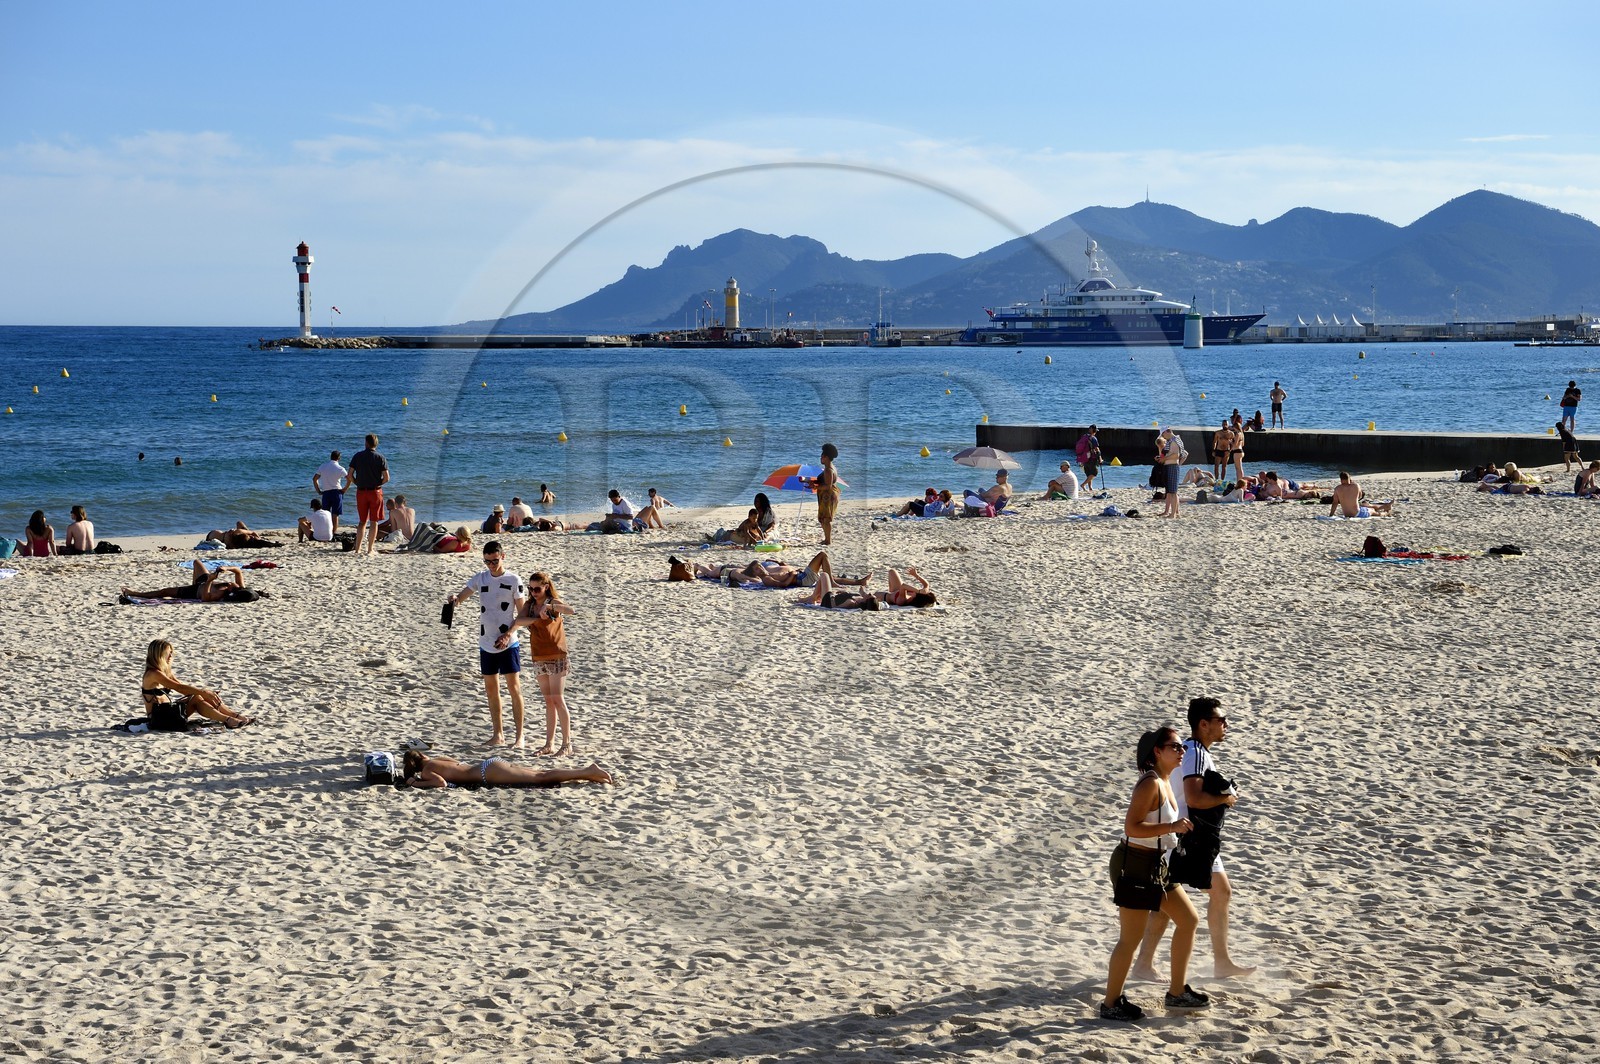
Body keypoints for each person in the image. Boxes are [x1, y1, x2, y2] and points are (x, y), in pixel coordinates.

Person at [1134, 698, 1256, 984]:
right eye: (1221, 720)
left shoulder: (1188, 751)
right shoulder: (1196, 753)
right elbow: (1194, 797)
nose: (1226, 725)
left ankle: (1216, 962)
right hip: (1188, 837)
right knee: (1174, 898)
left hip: (1182, 835)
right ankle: (1146, 964)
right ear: (1204, 724)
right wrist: (1225, 799)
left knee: (1202, 894)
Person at [1100, 726, 1208, 1022]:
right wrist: (1172, 827)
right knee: (1130, 938)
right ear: (1157, 752)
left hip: (1156, 864)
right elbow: (1131, 827)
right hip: (1134, 863)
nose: (1182, 751)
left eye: (1182, 746)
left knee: (1188, 920)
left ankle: (1177, 992)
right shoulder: (1150, 784)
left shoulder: (1166, 780)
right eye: (1175, 746)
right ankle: (1111, 1003)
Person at [445, 541, 526, 748]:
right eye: (487, 561)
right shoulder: (480, 578)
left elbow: (523, 615)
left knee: (514, 689)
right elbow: (462, 596)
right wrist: (454, 599)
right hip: (486, 642)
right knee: (491, 691)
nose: (491, 565)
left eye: (495, 561)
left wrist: (508, 634)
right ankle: (498, 735)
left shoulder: (514, 580)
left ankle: (520, 737)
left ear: (502, 557)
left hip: (508, 643)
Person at [499, 570, 576, 757]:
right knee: (549, 701)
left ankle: (566, 744)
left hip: (557, 655)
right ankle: (549, 743)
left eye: (537, 589)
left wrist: (550, 607)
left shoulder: (552, 602)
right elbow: (519, 620)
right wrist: (536, 619)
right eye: (530, 589)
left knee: (557, 699)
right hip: (539, 655)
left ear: (546, 587)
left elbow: (570, 610)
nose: (533, 592)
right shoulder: (530, 605)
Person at [140, 638, 256, 729]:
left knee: (200, 695)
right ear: (159, 654)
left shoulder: (164, 671)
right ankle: (227, 720)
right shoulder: (153, 674)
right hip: (159, 720)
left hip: (168, 712)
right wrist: (203, 693)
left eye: (171, 653)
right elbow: (179, 688)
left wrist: (206, 694)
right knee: (198, 696)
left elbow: (183, 688)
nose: (171, 656)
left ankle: (234, 716)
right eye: (168, 653)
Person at [401, 749, 611, 788]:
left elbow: (441, 783)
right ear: (422, 756)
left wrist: (415, 783)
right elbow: (456, 764)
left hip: (488, 774)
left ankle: (587, 771)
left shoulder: (426, 771)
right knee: (541, 774)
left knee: (540, 778)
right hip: (489, 764)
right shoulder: (437, 759)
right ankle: (588, 774)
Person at [122, 563, 254, 604]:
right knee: (196, 562)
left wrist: (210, 580)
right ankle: (195, 581)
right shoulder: (239, 587)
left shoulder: (220, 593)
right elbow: (238, 571)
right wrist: (227, 568)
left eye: (231, 585)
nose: (231, 583)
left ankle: (135, 593)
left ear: (230, 590)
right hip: (202, 581)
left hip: (193, 591)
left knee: (164, 592)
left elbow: (205, 598)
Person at [347, 433, 390, 556]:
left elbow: (350, 475)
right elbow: (387, 478)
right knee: (374, 521)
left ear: (366, 443)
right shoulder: (380, 457)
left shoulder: (358, 456)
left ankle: (358, 548)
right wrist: (378, 483)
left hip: (361, 491)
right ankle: (370, 549)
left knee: (362, 522)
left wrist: (357, 482)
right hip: (375, 491)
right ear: (376, 444)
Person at [810, 442, 841, 545]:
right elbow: (825, 481)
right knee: (823, 518)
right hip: (827, 495)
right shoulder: (830, 468)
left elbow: (828, 486)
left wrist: (815, 487)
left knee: (826, 519)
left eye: (822, 456)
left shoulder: (828, 470)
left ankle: (828, 540)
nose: (820, 458)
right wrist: (812, 482)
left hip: (828, 496)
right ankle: (827, 539)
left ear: (826, 457)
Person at [312, 450, 348, 535]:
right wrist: (345, 489)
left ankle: (326, 532)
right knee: (335, 515)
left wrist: (318, 490)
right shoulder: (340, 468)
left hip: (326, 492)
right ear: (339, 458)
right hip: (336, 492)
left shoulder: (323, 466)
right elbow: (349, 479)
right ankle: (333, 533)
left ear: (330, 457)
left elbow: (314, 479)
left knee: (326, 514)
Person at [1156, 427, 1185, 518]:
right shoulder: (1172, 440)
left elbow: (1176, 455)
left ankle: (1173, 514)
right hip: (1170, 466)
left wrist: (1164, 458)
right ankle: (1171, 512)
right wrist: (1162, 458)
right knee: (1169, 491)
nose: (1163, 437)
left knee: (1173, 492)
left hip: (1172, 466)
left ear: (1166, 432)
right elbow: (1172, 454)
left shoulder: (1174, 441)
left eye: (1163, 434)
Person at [205, 521, 280, 549]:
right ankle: (247, 531)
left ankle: (247, 531)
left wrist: (257, 537)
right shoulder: (234, 544)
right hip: (214, 538)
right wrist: (258, 539)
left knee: (239, 523)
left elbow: (253, 533)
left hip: (213, 536)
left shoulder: (237, 532)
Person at [1077, 425, 1103, 492]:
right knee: (1094, 473)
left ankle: (1090, 488)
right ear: (1094, 430)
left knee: (1089, 473)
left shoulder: (1084, 437)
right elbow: (1097, 449)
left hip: (1084, 457)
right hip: (1091, 458)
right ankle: (1083, 484)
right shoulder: (1093, 438)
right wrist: (1100, 458)